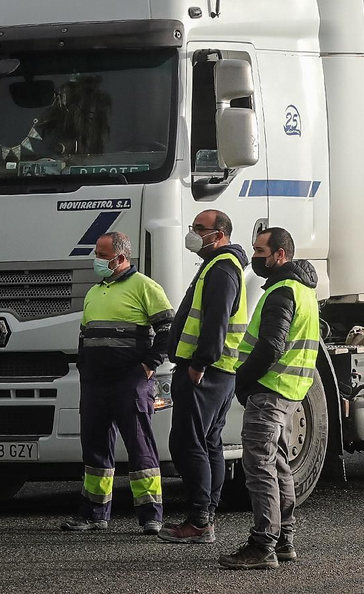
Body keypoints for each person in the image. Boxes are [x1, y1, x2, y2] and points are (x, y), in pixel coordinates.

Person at [219, 227, 319, 570]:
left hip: (269, 390)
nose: (256, 257)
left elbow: (270, 347)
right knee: (277, 464)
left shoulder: (281, 292)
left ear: (280, 254)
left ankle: (262, 545)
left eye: (261, 251)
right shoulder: (302, 290)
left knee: (259, 467)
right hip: (289, 391)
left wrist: (242, 380)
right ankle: (284, 539)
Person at [61, 231, 173, 534]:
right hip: (96, 381)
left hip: (130, 380)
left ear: (121, 258)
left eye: (101, 254)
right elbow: (85, 336)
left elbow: (167, 329)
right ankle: (94, 513)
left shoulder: (145, 287)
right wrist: (84, 366)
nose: (95, 259)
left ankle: (151, 515)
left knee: (141, 447)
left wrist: (148, 366)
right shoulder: (94, 292)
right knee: (95, 449)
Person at [159, 210, 249, 545]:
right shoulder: (218, 265)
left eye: (200, 229)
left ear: (220, 233)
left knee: (187, 443)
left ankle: (199, 520)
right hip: (217, 371)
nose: (193, 234)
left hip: (206, 371)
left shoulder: (222, 268)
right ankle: (205, 515)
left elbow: (216, 323)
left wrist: (199, 363)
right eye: (193, 228)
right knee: (208, 442)